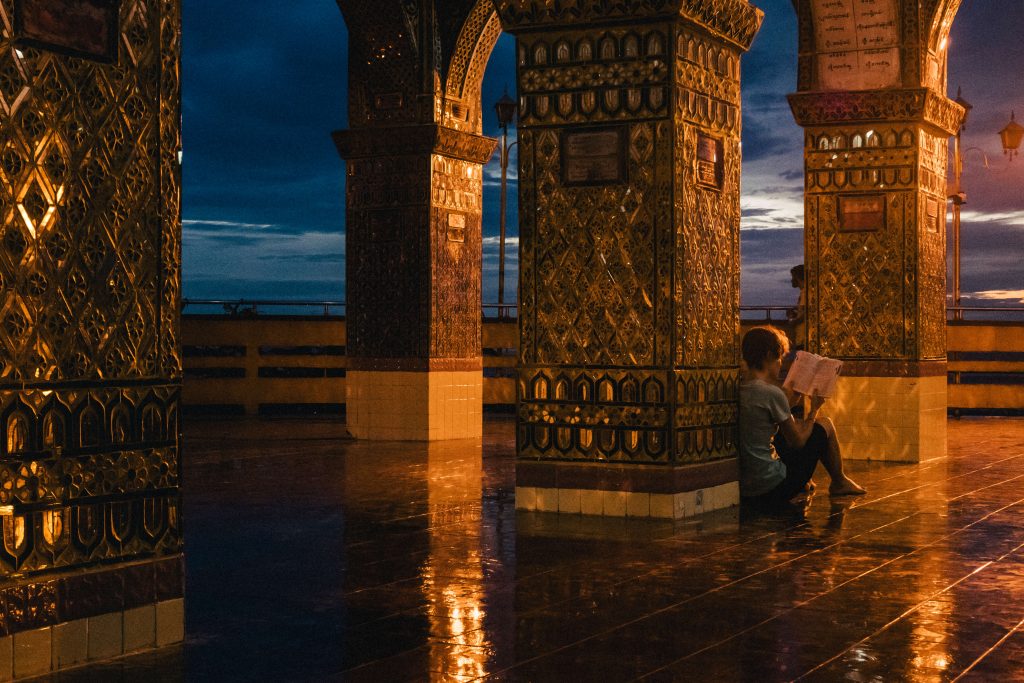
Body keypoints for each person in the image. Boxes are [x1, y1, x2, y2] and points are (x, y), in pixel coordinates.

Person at [739, 326, 865, 509]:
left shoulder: (742, 388)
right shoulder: (771, 393)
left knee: (787, 428)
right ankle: (839, 482)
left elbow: (765, 419)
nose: (781, 364)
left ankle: (811, 482)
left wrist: (793, 397)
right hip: (773, 487)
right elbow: (797, 442)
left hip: (747, 487)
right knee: (825, 425)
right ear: (768, 356)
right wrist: (814, 410)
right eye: (779, 358)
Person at [786, 265, 806, 351]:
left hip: (803, 337)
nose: (791, 280)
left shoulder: (805, 293)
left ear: (798, 278)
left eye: (793, 277)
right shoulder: (804, 292)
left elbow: (807, 313)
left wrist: (793, 322)